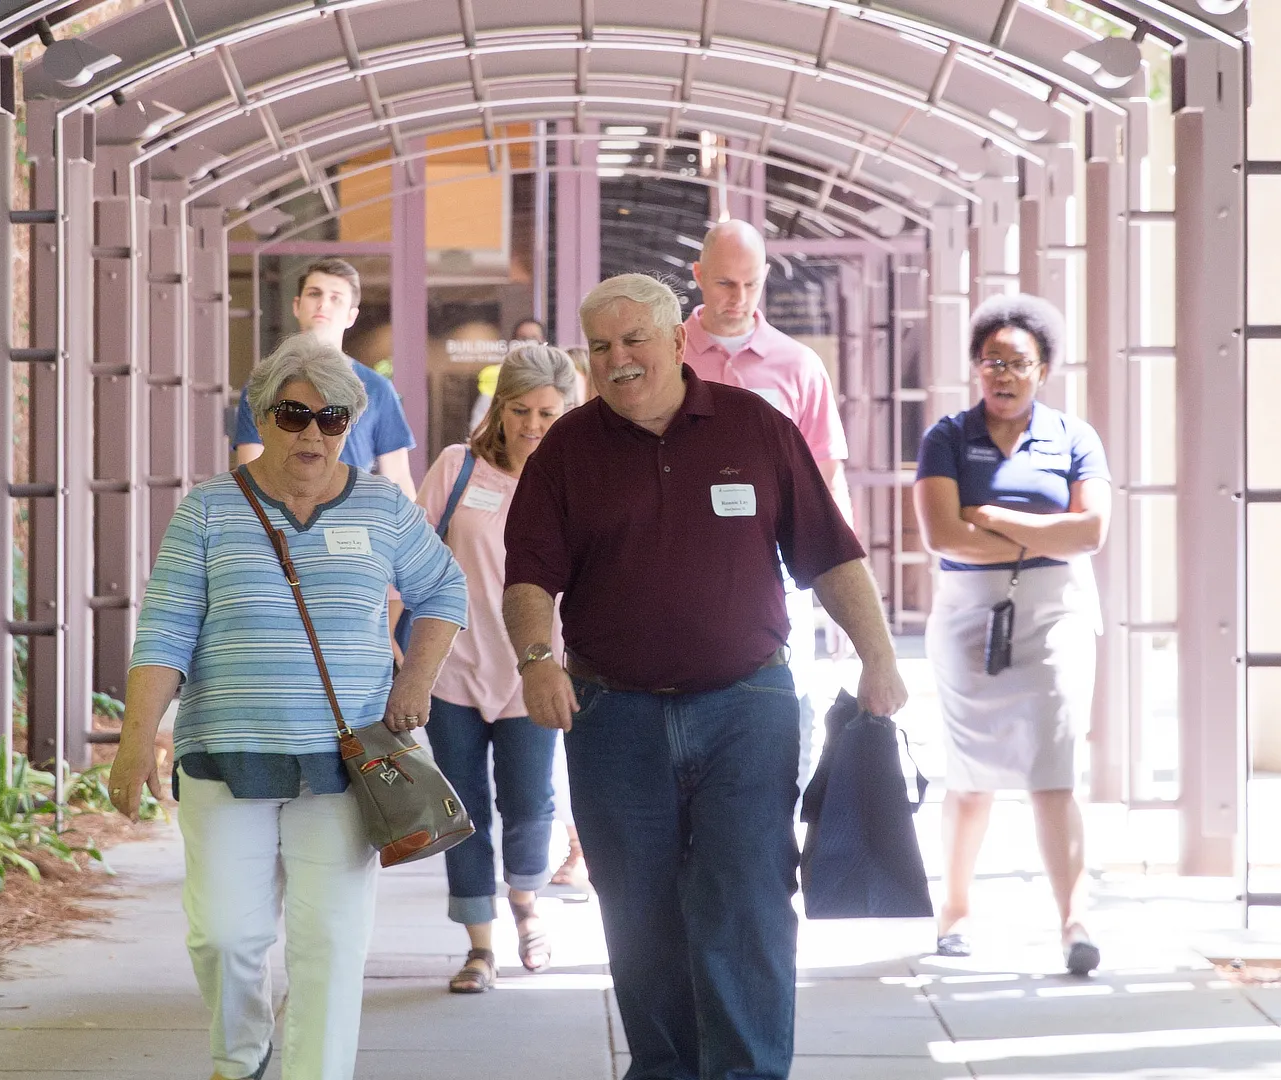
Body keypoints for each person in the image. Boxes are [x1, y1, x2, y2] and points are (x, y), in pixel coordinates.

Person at [503, 274, 909, 1080]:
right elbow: (526, 578)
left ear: (678, 342)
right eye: (601, 347)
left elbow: (830, 554)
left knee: (748, 899)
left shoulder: (756, 428)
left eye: (634, 341)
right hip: (613, 715)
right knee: (639, 910)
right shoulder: (567, 451)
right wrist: (536, 659)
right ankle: (664, 1069)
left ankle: (747, 1071)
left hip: (746, 708)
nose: (618, 361)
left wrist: (881, 657)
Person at [110, 335, 468, 1080]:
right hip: (226, 753)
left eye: (331, 418)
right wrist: (135, 740)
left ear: (350, 425)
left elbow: (444, 590)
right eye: (293, 414)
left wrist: (416, 682)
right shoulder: (208, 510)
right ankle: (240, 1058)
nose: (312, 433)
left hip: (345, 762)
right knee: (225, 938)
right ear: (262, 416)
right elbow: (166, 630)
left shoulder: (380, 506)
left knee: (330, 943)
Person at [910, 293, 1111, 977]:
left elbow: (1093, 531)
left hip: (1055, 616)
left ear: (1043, 369)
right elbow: (943, 535)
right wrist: (1041, 537)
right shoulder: (944, 436)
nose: (1003, 373)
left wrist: (991, 514)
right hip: (969, 617)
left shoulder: (1075, 437)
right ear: (975, 368)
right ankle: (955, 913)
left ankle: (1074, 920)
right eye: (991, 361)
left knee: (1054, 766)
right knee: (969, 775)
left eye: (1017, 362)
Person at [416, 345, 580, 994]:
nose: (534, 425)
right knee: (462, 809)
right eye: (521, 410)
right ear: (501, 407)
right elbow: (413, 554)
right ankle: (479, 945)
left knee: (530, 805)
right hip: (454, 668)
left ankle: (527, 905)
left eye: (548, 412)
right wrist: (409, 651)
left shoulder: (578, 481)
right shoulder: (458, 468)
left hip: (532, 672)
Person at [682, 218, 854, 796]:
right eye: (726, 283)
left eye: (751, 285)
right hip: (680, 566)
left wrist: (844, 594)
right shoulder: (665, 356)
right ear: (699, 276)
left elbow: (827, 479)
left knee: (786, 704)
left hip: (776, 569)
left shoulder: (798, 364)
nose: (739, 299)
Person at [233, 258, 418, 500]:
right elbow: (251, 466)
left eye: (336, 298)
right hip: (280, 517)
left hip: (353, 523)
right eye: (314, 294)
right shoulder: (265, 383)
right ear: (297, 306)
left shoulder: (378, 388)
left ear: (351, 316)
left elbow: (397, 476)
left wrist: (408, 530)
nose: (322, 304)